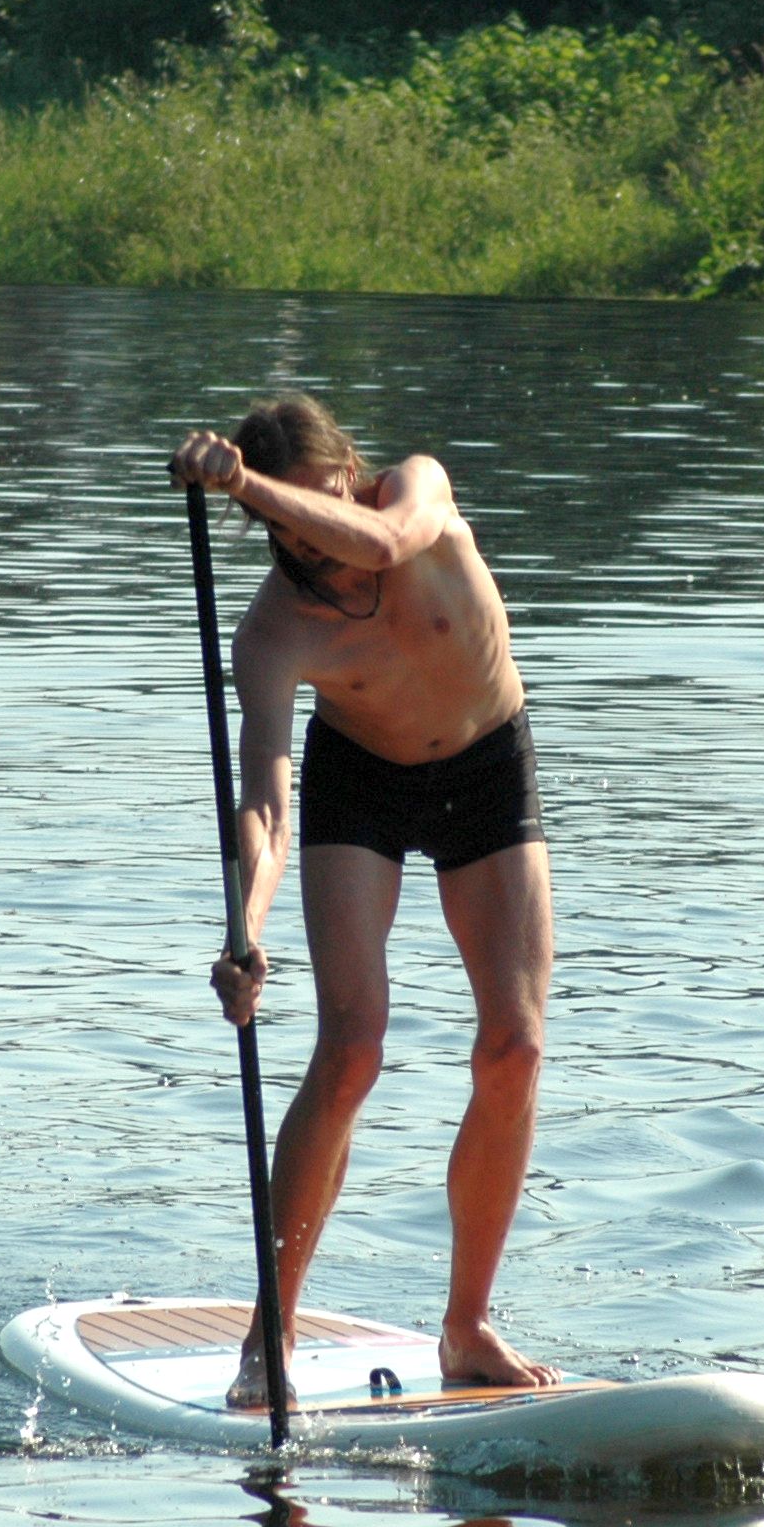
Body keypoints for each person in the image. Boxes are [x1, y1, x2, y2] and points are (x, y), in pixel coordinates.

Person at [171, 393, 560, 1407]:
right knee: (351, 1049)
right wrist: (244, 928)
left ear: (351, 471)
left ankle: (467, 1328)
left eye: (323, 505)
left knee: (514, 1049)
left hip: (486, 764)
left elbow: (384, 540)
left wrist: (247, 483)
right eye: (291, 530)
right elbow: (266, 800)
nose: (319, 545)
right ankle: (269, 1336)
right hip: (362, 779)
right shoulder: (272, 634)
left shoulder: (416, 490)